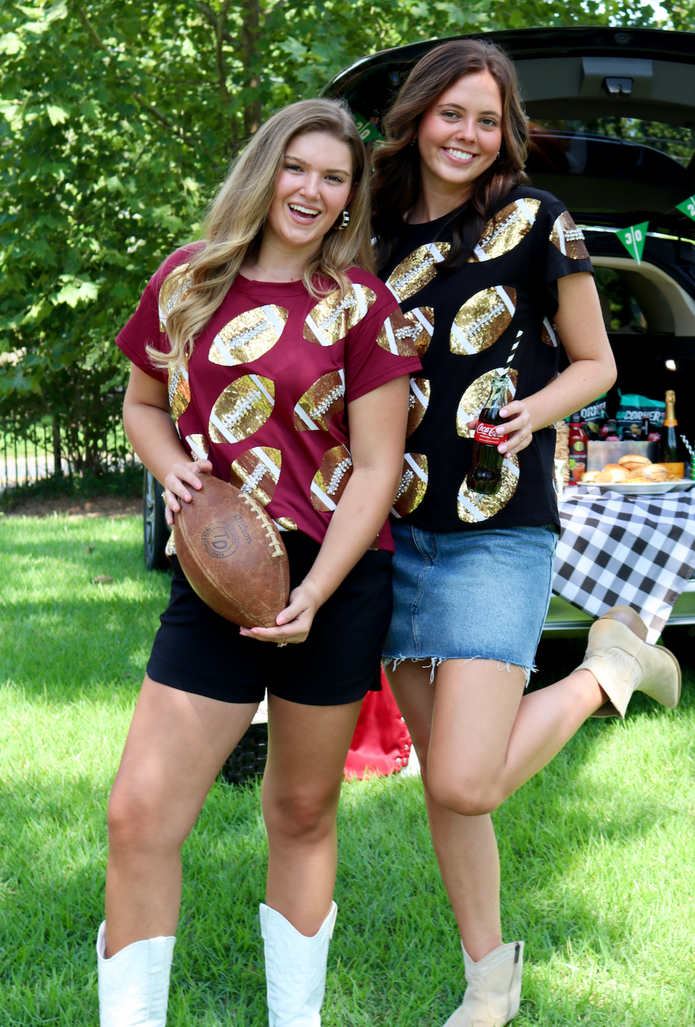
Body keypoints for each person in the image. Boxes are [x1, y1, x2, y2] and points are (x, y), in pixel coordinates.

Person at [370, 39, 681, 1026]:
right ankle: (488, 979)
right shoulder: (364, 224)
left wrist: (536, 410)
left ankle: (606, 669)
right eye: (449, 112)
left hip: (497, 522)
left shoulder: (539, 222)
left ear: (506, 132)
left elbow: (592, 363)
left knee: (463, 779)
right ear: (417, 115)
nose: (466, 133)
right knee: (444, 787)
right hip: (386, 528)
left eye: (486, 118)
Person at [101, 98, 421, 1026]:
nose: (313, 191)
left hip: (335, 580)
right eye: (298, 168)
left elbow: (377, 465)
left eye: (336, 177)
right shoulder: (187, 280)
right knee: (141, 814)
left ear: (352, 196)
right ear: (263, 169)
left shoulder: (364, 304)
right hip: (216, 577)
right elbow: (143, 405)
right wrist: (175, 470)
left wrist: (315, 594)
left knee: (301, 811)